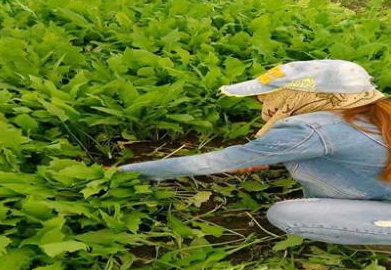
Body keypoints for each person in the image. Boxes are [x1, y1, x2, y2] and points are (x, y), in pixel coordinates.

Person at [115, 60, 391, 245]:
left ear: (299, 96)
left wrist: (123, 174)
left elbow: (209, 162)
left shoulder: (311, 128)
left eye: (268, 96)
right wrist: (267, 158)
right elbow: (353, 150)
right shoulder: (376, 111)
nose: (263, 103)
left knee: (287, 215)